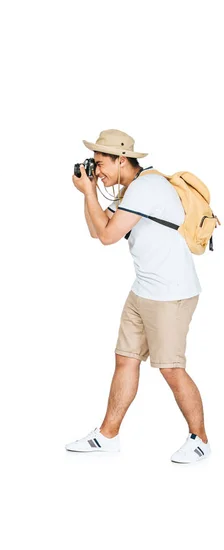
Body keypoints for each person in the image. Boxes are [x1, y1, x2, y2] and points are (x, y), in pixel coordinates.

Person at [66, 129, 210, 463]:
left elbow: (106, 237)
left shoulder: (146, 188)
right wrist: (88, 194)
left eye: (101, 164)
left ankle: (200, 439)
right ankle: (107, 435)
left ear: (121, 159)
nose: (97, 171)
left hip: (170, 294)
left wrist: (89, 192)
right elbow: (97, 229)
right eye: (94, 165)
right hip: (144, 288)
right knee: (125, 359)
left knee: (171, 368)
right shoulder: (132, 189)